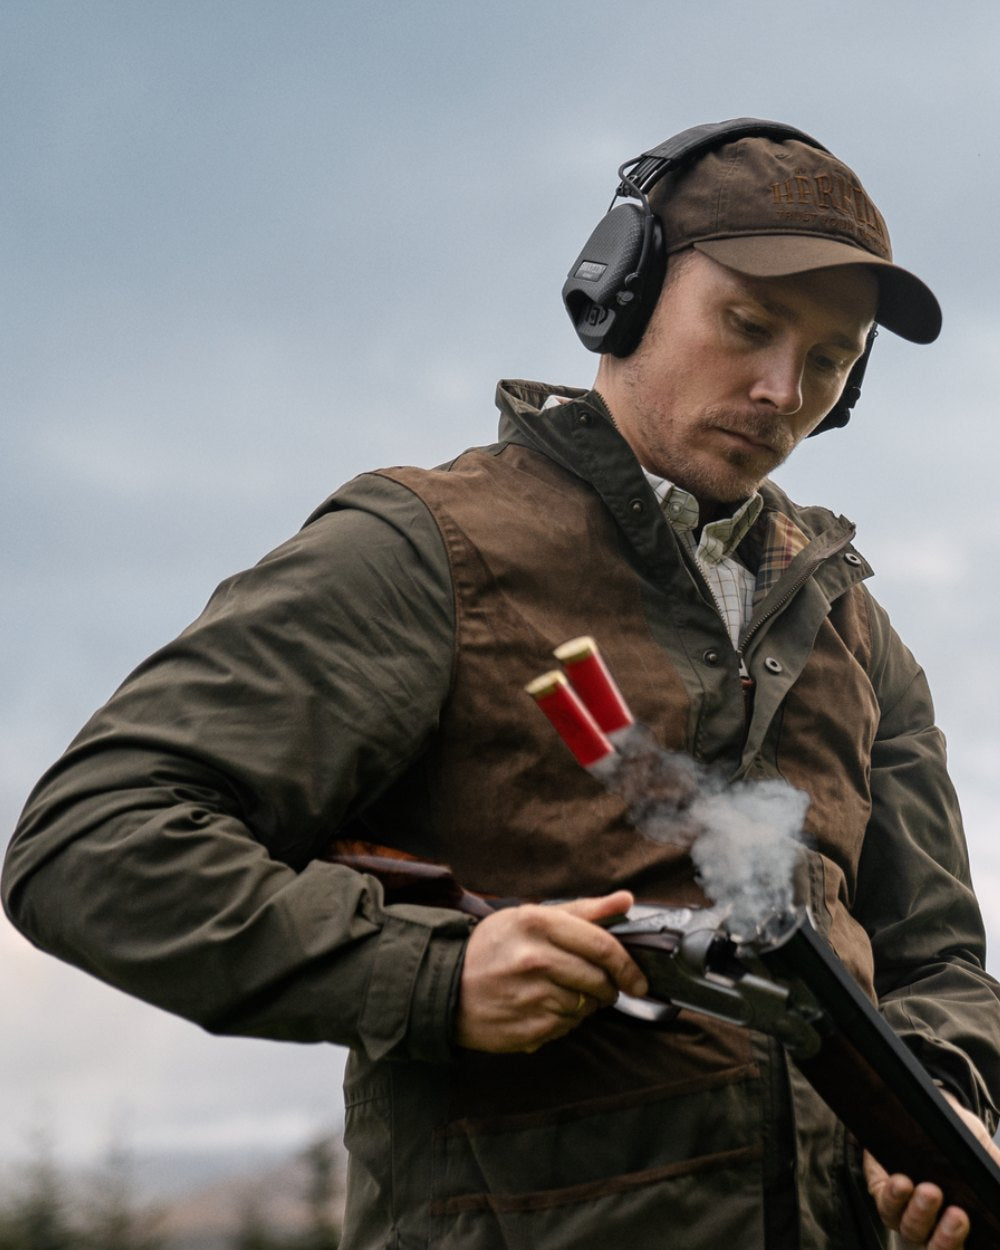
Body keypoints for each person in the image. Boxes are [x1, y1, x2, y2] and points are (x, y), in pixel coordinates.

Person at [3, 118, 999, 1250]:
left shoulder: (854, 627)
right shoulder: (422, 547)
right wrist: (433, 973)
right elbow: (90, 841)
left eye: (830, 359)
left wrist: (934, 1102)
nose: (783, 389)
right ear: (618, 293)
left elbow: (935, 958)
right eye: (747, 325)